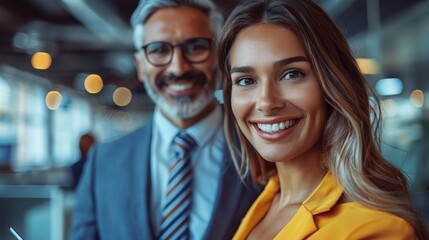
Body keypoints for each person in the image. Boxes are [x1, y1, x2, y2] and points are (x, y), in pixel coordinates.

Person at [217, 0, 429, 239]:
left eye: (291, 74)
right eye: (246, 80)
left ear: (333, 85)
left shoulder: (376, 230)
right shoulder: (266, 200)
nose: (266, 102)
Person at [68, 0, 260, 239]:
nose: (178, 68)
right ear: (140, 65)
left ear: (219, 56)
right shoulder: (104, 162)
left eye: (195, 47)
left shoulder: (261, 150)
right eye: (159, 50)